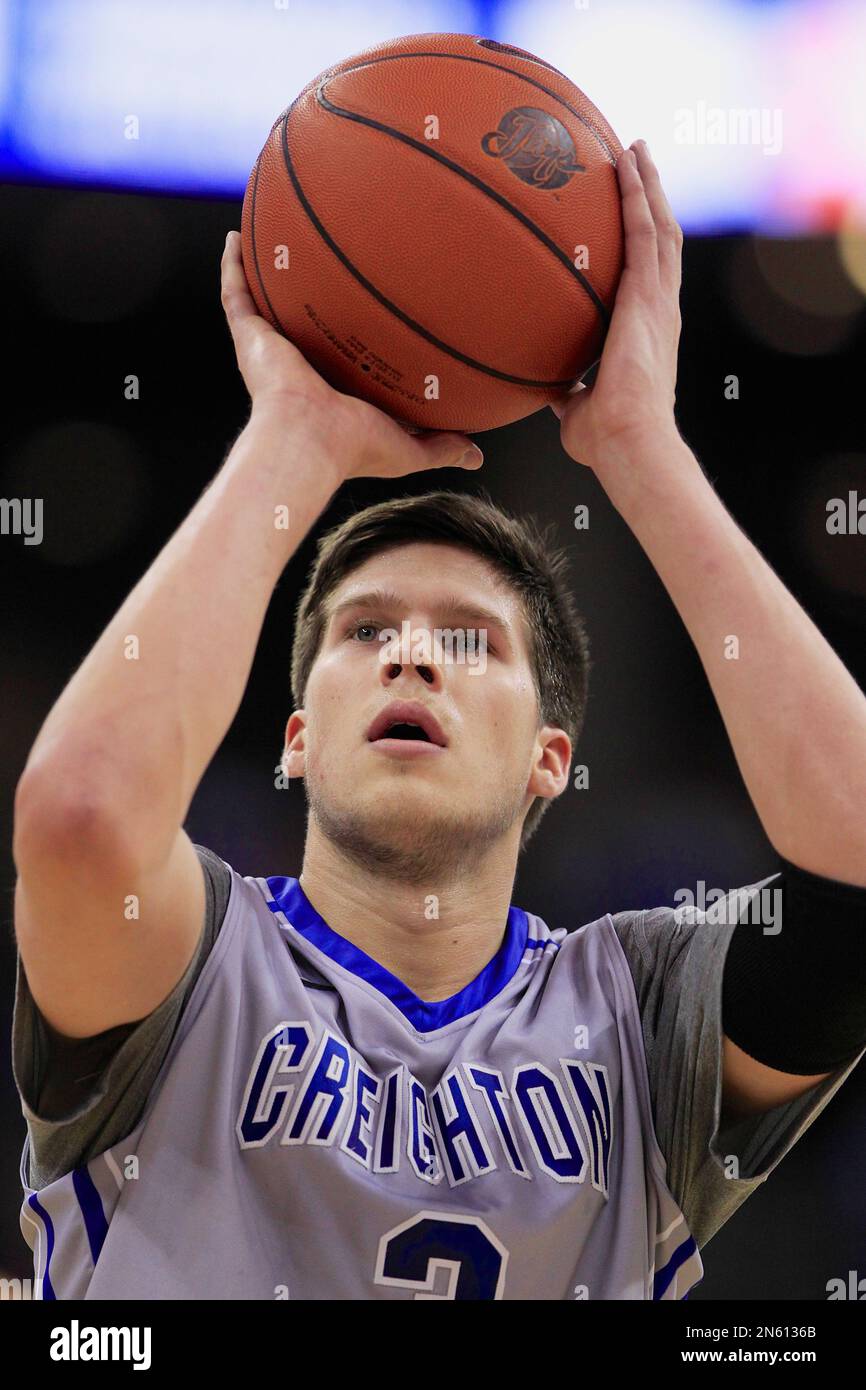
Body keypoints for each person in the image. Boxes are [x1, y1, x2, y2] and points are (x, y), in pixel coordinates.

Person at [11, 141, 866, 1300]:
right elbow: (78, 815)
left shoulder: (638, 1009)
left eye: (469, 639)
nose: (411, 649)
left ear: (547, 760)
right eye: (362, 633)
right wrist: (292, 442)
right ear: (296, 737)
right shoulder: (190, 959)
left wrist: (639, 448)